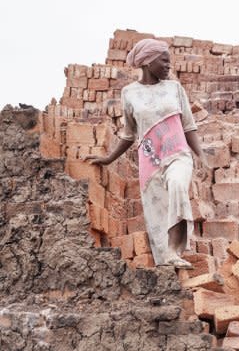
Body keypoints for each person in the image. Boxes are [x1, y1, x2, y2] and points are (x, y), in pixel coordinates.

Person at [86, 38, 206, 268]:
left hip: (178, 154)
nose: (169, 66)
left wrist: (201, 155)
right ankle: (167, 269)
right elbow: (129, 133)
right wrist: (109, 158)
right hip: (150, 161)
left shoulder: (174, 88)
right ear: (148, 62)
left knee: (178, 186)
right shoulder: (129, 93)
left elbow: (189, 126)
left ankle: (175, 249)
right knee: (156, 212)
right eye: (164, 61)